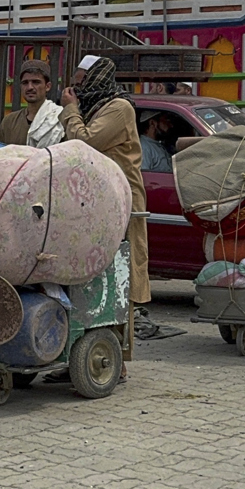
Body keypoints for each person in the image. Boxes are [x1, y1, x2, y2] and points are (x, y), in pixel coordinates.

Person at [58, 56, 151, 309]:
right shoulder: (93, 107)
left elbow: (85, 141)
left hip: (122, 195)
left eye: (81, 83)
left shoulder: (119, 107)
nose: (76, 91)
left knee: (126, 258)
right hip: (98, 195)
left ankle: (130, 313)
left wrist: (70, 110)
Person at [0, 60, 64, 148]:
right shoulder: (9, 122)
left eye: (36, 82)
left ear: (47, 86)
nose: (30, 87)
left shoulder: (59, 118)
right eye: (25, 83)